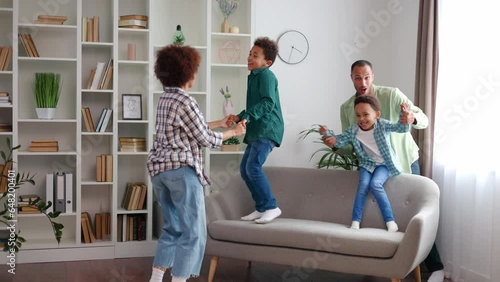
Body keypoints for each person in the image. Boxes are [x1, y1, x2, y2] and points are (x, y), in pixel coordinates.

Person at [324, 59, 444, 282]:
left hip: (406, 161)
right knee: (393, 215)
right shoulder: (346, 108)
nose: (363, 82)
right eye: (357, 77)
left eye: (367, 76)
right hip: (375, 167)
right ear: (351, 79)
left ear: (373, 76)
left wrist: (412, 117)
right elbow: (350, 149)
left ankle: (436, 267)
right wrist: (335, 145)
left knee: (420, 214)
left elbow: (423, 120)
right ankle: (394, 266)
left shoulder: (392, 95)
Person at [147, 45, 246, 282]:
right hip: (182, 171)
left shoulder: (166, 99)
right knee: (193, 232)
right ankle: (180, 280)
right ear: (188, 72)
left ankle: (156, 278)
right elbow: (203, 138)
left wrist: (219, 123)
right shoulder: (186, 100)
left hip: (160, 172)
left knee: (173, 227)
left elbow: (189, 129)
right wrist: (232, 132)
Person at [320, 96, 409, 232]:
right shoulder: (354, 130)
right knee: (363, 186)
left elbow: (401, 128)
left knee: (375, 184)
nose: (361, 119)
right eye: (358, 115)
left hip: (383, 164)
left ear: (377, 115)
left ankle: (390, 221)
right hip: (367, 163)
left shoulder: (382, 125)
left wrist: (404, 115)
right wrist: (327, 133)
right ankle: (355, 222)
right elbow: (339, 140)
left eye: (366, 114)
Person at [227, 37, 284, 224]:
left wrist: (247, 116)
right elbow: (255, 105)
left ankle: (271, 206)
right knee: (245, 169)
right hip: (257, 129)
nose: (249, 57)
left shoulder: (267, 75)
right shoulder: (254, 76)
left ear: (267, 63)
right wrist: (239, 116)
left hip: (267, 129)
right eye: (250, 54)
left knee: (253, 167)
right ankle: (261, 207)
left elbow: (268, 103)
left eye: (255, 55)